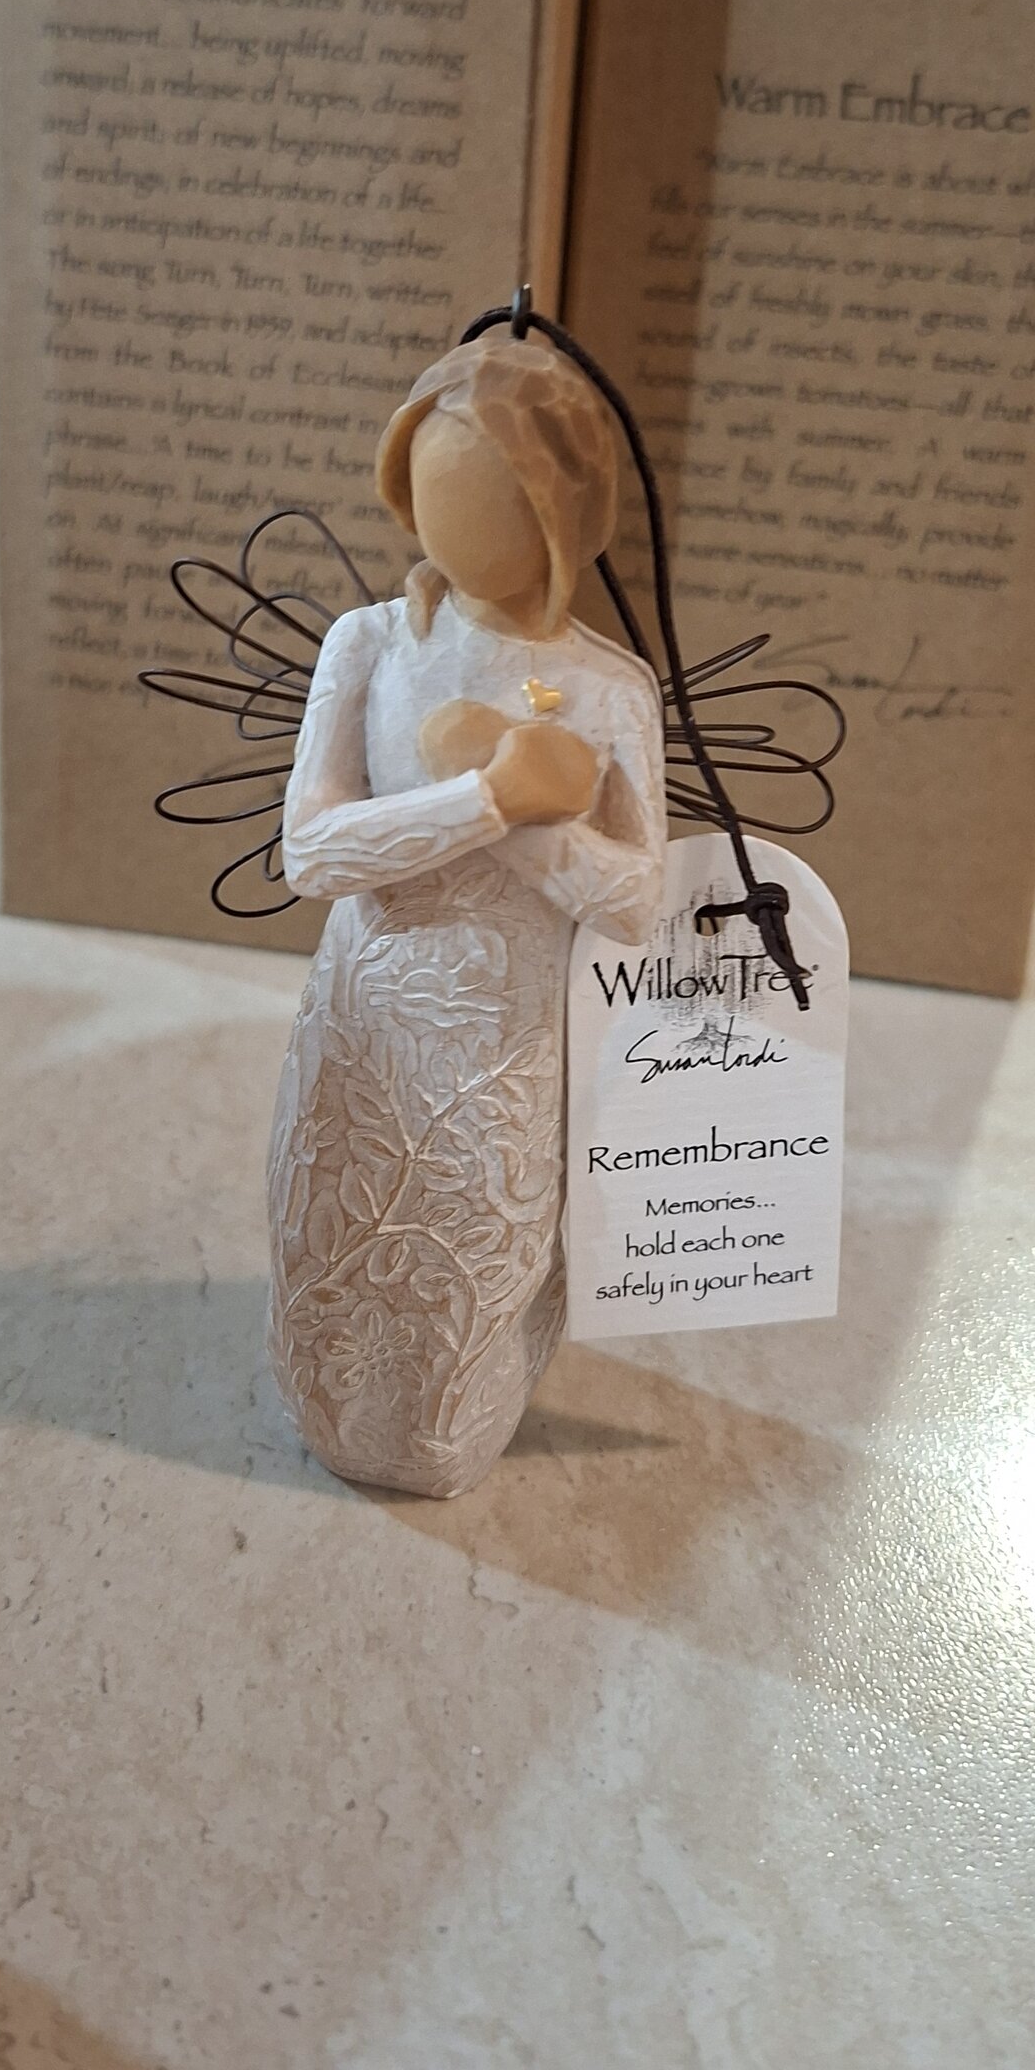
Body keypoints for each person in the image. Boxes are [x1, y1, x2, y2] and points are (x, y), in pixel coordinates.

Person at [267, 329, 668, 1496]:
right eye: (433, 485)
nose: (453, 522)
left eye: (493, 495)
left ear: (560, 514)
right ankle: (336, 1412)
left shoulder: (610, 689)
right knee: (334, 1230)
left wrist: (538, 829)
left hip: (506, 1041)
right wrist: (485, 798)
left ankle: (446, 1433)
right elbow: (312, 849)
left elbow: (637, 901)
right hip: (368, 1024)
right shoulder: (369, 647)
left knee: (480, 1243)